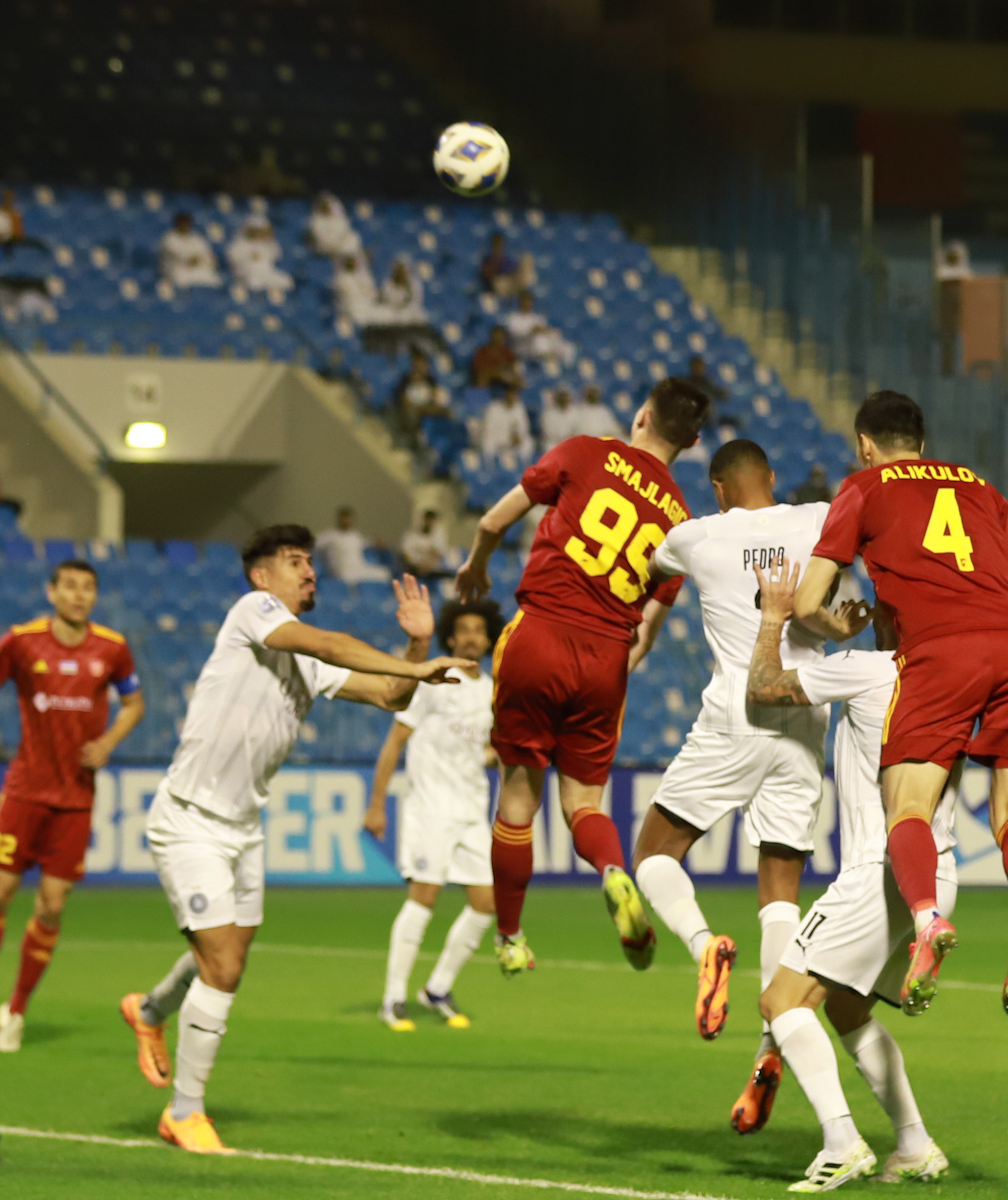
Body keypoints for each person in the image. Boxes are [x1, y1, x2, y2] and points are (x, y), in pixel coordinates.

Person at [117, 532, 469, 1153]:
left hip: (243, 826)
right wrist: (414, 663)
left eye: (310, 563)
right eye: (295, 563)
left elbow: (390, 697)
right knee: (222, 964)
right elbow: (334, 643)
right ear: (262, 578)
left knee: (229, 957)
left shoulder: (308, 660)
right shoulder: (251, 614)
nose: (310, 573)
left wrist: (417, 644)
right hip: (189, 819)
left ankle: (148, 1012)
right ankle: (184, 1113)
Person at [789, 389, 1008, 1019]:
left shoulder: (864, 486)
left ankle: (928, 921)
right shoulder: (981, 488)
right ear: (923, 443)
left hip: (942, 653)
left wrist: (833, 624)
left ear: (865, 445)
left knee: (907, 803)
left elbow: (805, 602)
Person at [624, 440, 881, 1063]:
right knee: (781, 888)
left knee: (654, 854)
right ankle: (775, 1039)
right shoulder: (819, 517)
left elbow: (644, 572)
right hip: (804, 710)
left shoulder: (694, 535)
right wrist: (833, 625)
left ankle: (703, 944)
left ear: (717, 488)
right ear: (770, 476)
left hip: (738, 711)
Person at [454, 376, 712, 975]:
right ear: (693, 442)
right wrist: (605, 672)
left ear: (642, 413)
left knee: (518, 795)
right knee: (583, 802)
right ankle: (614, 872)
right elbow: (645, 634)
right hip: (605, 657)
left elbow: (495, 521)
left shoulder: (585, 451)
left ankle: (512, 938)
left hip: (540, 631)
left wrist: (476, 566)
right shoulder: (681, 524)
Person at [748, 565, 953, 1189]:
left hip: (879, 869)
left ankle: (841, 1141)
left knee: (780, 1000)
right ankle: (914, 1145)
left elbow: (763, 687)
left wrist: (775, 617)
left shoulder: (873, 669)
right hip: (934, 872)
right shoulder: (953, 682)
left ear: (894, 618)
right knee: (845, 1006)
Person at [0, 559, 146, 1052]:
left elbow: (135, 704)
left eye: (89, 588)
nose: (80, 596)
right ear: (52, 592)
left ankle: (14, 1009)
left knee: (53, 904)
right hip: (24, 792)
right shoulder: (22, 639)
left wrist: (108, 743)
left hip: (75, 799)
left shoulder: (113, 649)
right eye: (71, 587)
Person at [364, 599, 505, 1030]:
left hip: (471, 809)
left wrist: (494, 755)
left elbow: (488, 748)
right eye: (463, 629)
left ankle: (438, 987)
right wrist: (376, 803)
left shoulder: (493, 689)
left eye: (478, 630)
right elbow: (395, 741)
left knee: (487, 904)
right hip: (430, 807)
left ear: (488, 637)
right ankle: (393, 998)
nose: (470, 637)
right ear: (449, 636)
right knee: (424, 896)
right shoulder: (433, 680)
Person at [316, 505, 392, 585]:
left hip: (359, 568)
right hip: (343, 571)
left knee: (384, 573)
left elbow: (367, 543)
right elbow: (315, 544)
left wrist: (377, 543)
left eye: (348, 518)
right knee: (349, 578)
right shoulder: (330, 535)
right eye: (344, 518)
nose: (346, 520)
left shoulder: (355, 535)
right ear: (339, 518)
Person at [225, 217, 293, 292]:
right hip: (246, 274)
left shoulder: (270, 245)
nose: (259, 233)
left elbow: (277, 257)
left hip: (266, 273)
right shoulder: (239, 244)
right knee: (254, 283)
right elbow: (233, 261)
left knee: (287, 281)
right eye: (257, 230)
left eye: (262, 230)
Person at [159, 212, 222, 289]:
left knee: (213, 279)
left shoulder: (197, 238)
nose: (184, 225)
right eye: (182, 223)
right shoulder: (169, 238)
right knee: (181, 281)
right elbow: (178, 256)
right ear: (177, 224)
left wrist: (199, 260)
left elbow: (207, 255)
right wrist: (192, 259)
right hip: (177, 271)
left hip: (197, 269)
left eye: (186, 223)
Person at [476, 387, 533, 461]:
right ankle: (489, 467)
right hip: (496, 440)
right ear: (505, 395)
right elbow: (488, 431)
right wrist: (507, 440)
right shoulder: (493, 408)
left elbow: (524, 428)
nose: (513, 397)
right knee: (487, 443)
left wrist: (518, 437)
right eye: (510, 394)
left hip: (512, 443)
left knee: (528, 443)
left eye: (515, 394)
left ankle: (523, 466)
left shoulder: (519, 408)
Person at [374, 258, 427, 326]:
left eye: (401, 269)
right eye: (397, 270)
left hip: (408, 314)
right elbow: (383, 300)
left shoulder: (413, 286)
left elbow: (414, 302)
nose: (399, 272)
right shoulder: (388, 285)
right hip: (390, 314)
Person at [308, 192, 362, 259]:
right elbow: (319, 236)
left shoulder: (340, 218)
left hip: (340, 245)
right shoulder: (315, 221)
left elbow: (343, 231)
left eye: (327, 204)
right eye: (323, 205)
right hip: (325, 247)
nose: (326, 207)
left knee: (354, 239)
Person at [399, 509, 451, 578]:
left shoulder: (438, 536)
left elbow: (439, 554)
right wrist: (419, 565)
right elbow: (406, 556)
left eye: (432, 520)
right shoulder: (411, 536)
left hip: (433, 570)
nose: (429, 522)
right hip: (415, 569)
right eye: (427, 519)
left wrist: (428, 565)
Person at [470, 326, 521, 390]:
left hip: (503, 374)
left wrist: (507, 371)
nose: (498, 338)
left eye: (500, 336)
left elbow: (513, 365)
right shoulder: (483, 350)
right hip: (488, 374)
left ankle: (513, 397)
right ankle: (481, 397)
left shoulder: (507, 352)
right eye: (496, 336)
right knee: (482, 376)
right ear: (492, 337)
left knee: (518, 379)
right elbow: (477, 366)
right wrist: (495, 371)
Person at [539, 387, 579, 452]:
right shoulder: (548, 413)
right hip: (553, 442)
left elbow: (577, 429)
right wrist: (563, 438)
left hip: (569, 442)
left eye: (565, 397)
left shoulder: (574, 412)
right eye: (561, 397)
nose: (563, 399)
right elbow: (548, 433)